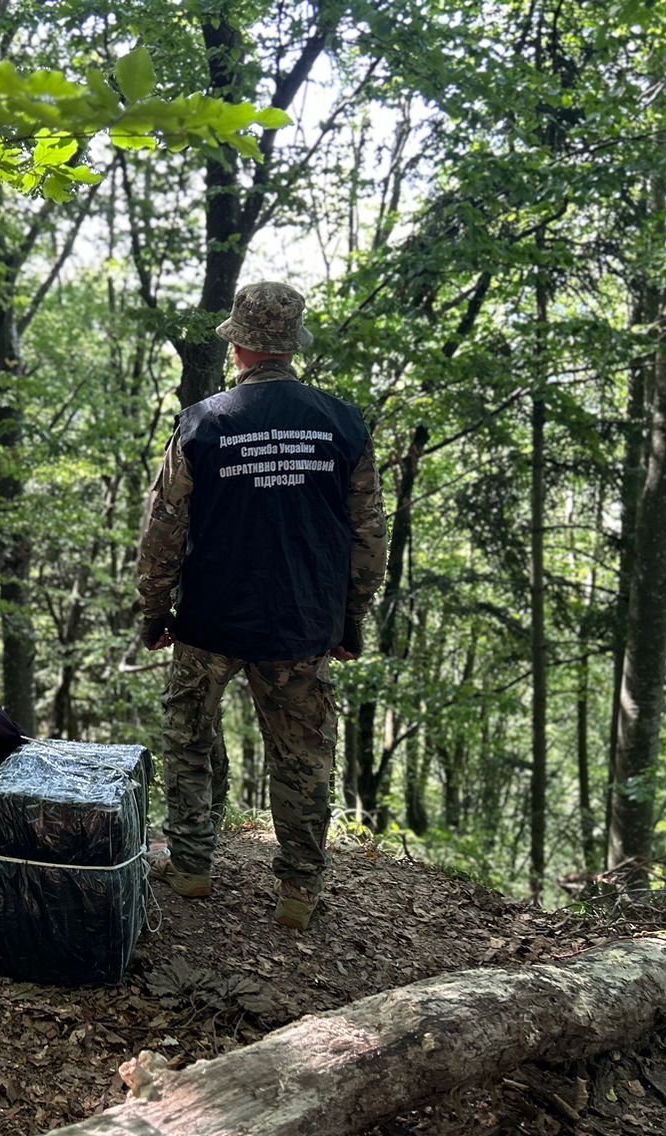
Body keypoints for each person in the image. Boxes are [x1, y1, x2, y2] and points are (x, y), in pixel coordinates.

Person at [136, 281, 386, 931]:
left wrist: (154, 610)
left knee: (190, 737)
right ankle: (299, 890)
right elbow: (368, 536)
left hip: (210, 619)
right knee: (303, 757)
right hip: (301, 622)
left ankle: (191, 866)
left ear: (239, 347)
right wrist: (350, 617)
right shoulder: (342, 423)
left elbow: (162, 529)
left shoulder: (203, 422)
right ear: (290, 347)